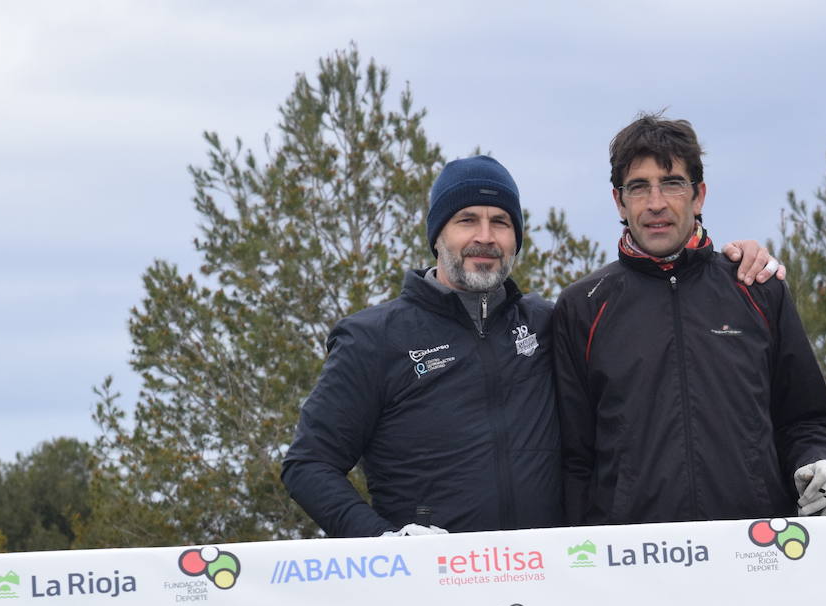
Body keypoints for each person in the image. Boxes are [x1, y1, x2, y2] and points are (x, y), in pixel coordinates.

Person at [281, 154, 782, 537]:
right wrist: (383, 543)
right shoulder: (374, 338)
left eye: (500, 222)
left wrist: (731, 262)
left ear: (516, 237)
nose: (485, 237)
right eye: (466, 221)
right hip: (429, 595)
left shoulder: (551, 322)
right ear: (437, 235)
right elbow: (308, 464)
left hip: (550, 583)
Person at [552, 115, 826, 526]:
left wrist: (820, 461)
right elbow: (574, 458)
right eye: (638, 187)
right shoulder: (581, 306)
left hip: (755, 551)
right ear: (619, 201)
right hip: (632, 564)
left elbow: (805, 418)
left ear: (699, 195)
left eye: (672, 183)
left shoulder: (757, 287)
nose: (656, 203)